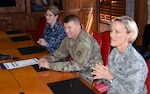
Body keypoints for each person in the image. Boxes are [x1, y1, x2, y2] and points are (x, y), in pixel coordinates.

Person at [38, 14, 103, 83]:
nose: (66, 30)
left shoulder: (85, 41)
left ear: (78, 27)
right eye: (65, 27)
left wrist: (50, 65)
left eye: (69, 27)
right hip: (78, 71)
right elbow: (60, 53)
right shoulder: (68, 39)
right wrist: (47, 59)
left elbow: (77, 65)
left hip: (91, 74)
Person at [92, 16, 148, 94]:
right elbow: (109, 82)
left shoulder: (136, 62)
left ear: (130, 35)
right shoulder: (115, 52)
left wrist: (110, 78)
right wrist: (102, 74)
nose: (111, 35)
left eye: (117, 32)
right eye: (111, 31)